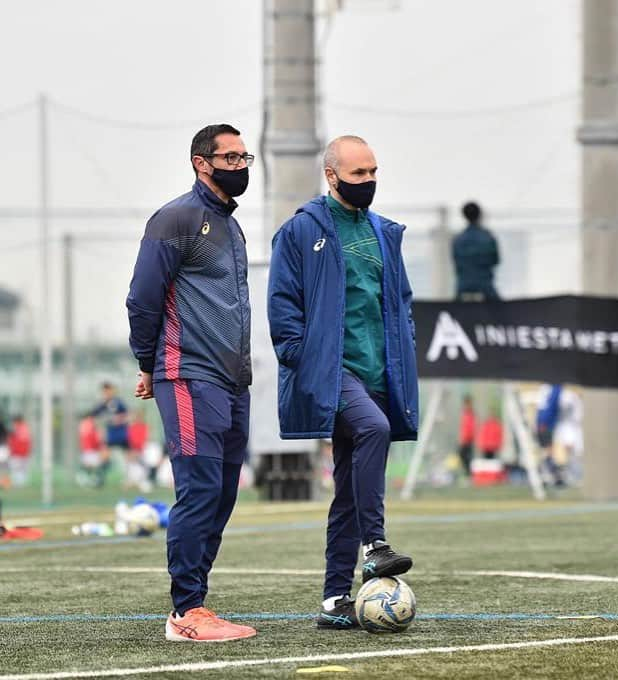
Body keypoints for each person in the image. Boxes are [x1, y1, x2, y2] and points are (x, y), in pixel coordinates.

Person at [268, 135, 419, 631]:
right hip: (333, 373)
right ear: (332, 176)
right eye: (359, 174)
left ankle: (334, 600)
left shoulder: (384, 233)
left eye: (374, 172)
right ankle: (375, 547)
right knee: (374, 429)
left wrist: (404, 346)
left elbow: (401, 303)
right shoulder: (301, 230)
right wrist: (301, 357)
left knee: (348, 495)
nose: (369, 181)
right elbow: (283, 303)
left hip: (380, 372)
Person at [126, 123, 256, 643]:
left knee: (222, 493)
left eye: (245, 156)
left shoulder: (230, 225)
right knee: (199, 488)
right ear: (202, 162)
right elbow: (143, 296)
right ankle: (185, 613)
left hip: (231, 381)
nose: (241, 166)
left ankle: (197, 601)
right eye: (230, 157)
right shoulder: (176, 218)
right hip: (186, 374)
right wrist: (146, 361)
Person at [451, 201, 500, 301]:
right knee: (502, 313)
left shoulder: (458, 239)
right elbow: (496, 260)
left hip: (463, 287)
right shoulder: (488, 237)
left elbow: (456, 263)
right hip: (486, 287)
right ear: (480, 215)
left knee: (453, 312)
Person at [90, 382, 130, 486]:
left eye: (109, 390)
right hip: (110, 434)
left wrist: (118, 419)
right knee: (104, 456)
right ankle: (99, 479)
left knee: (126, 457)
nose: (107, 393)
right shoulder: (102, 404)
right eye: (105, 391)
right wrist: (99, 426)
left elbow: (127, 415)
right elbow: (94, 416)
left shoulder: (118, 402)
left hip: (121, 433)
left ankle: (128, 479)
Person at [535, 384, 564, 486]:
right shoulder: (554, 388)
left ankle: (549, 475)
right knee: (547, 451)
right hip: (546, 424)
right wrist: (543, 421)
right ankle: (549, 475)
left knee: (547, 451)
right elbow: (550, 405)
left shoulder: (550, 388)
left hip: (546, 423)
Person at [7, 415, 32, 488]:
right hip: (22, 453)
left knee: (18, 469)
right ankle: (19, 484)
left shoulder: (21, 429)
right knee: (21, 470)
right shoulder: (23, 428)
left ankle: (19, 484)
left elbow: (21, 442)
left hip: (19, 453)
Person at [458, 395, 476, 477]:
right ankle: (467, 473)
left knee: (467, 457)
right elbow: (463, 427)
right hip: (464, 439)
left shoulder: (471, 414)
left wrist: (468, 437)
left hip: (468, 440)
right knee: (462, 455)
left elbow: (471, 427)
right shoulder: (464, 413)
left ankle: (469, 474)